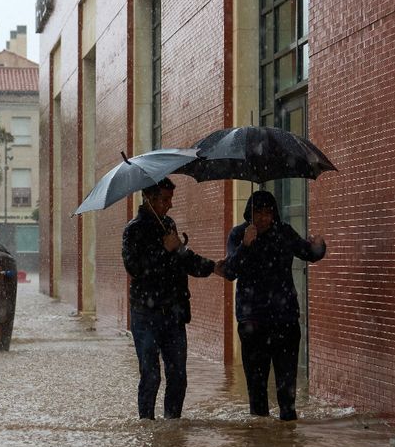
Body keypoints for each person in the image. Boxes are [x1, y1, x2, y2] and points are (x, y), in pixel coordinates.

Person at [122, 178, 224, 420]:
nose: (170, 205)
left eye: (170, 199)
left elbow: (183, 258)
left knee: (178, 376)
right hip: (146, 315)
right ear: (149, 198)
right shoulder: (133, 230)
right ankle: (146, 424)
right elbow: (135, 268)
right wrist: (163, 250)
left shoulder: (168, 225)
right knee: (151, 374)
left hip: (174, 313)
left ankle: (172, 426)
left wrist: (212, 267)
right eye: (165, 200)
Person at [222, 190, 325, 421]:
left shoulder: (284, 233)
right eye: (258, 212)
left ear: (274, 214)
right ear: (249, 213)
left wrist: (319, 246)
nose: (263, 218)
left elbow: (308, 253)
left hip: (285, 322)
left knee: (287, 396)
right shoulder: (239, 234)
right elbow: (229, 271)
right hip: (252, 324)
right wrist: (245, 246)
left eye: (268, 213)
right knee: (257, 398)